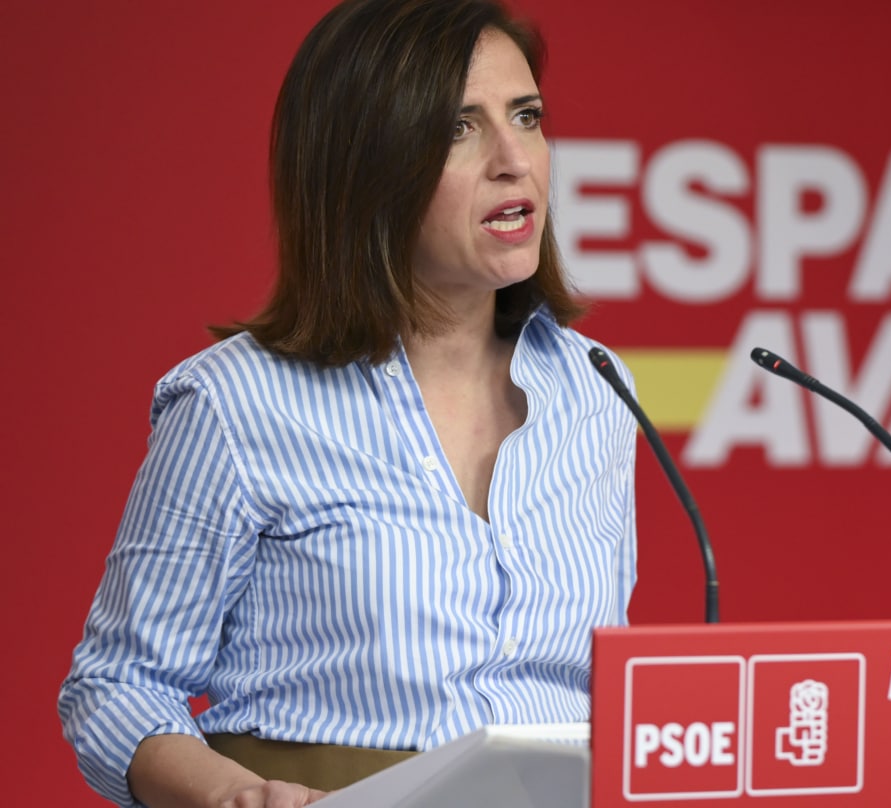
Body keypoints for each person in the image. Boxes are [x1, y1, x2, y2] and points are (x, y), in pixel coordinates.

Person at [57, 1, 638, 805]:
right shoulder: (236, 402)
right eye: (457, 130)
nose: (516, 161)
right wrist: (233, 795)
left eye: (527, 116)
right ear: (365, 168)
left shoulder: (600, 390)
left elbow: (599, 684)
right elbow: (117, 685)